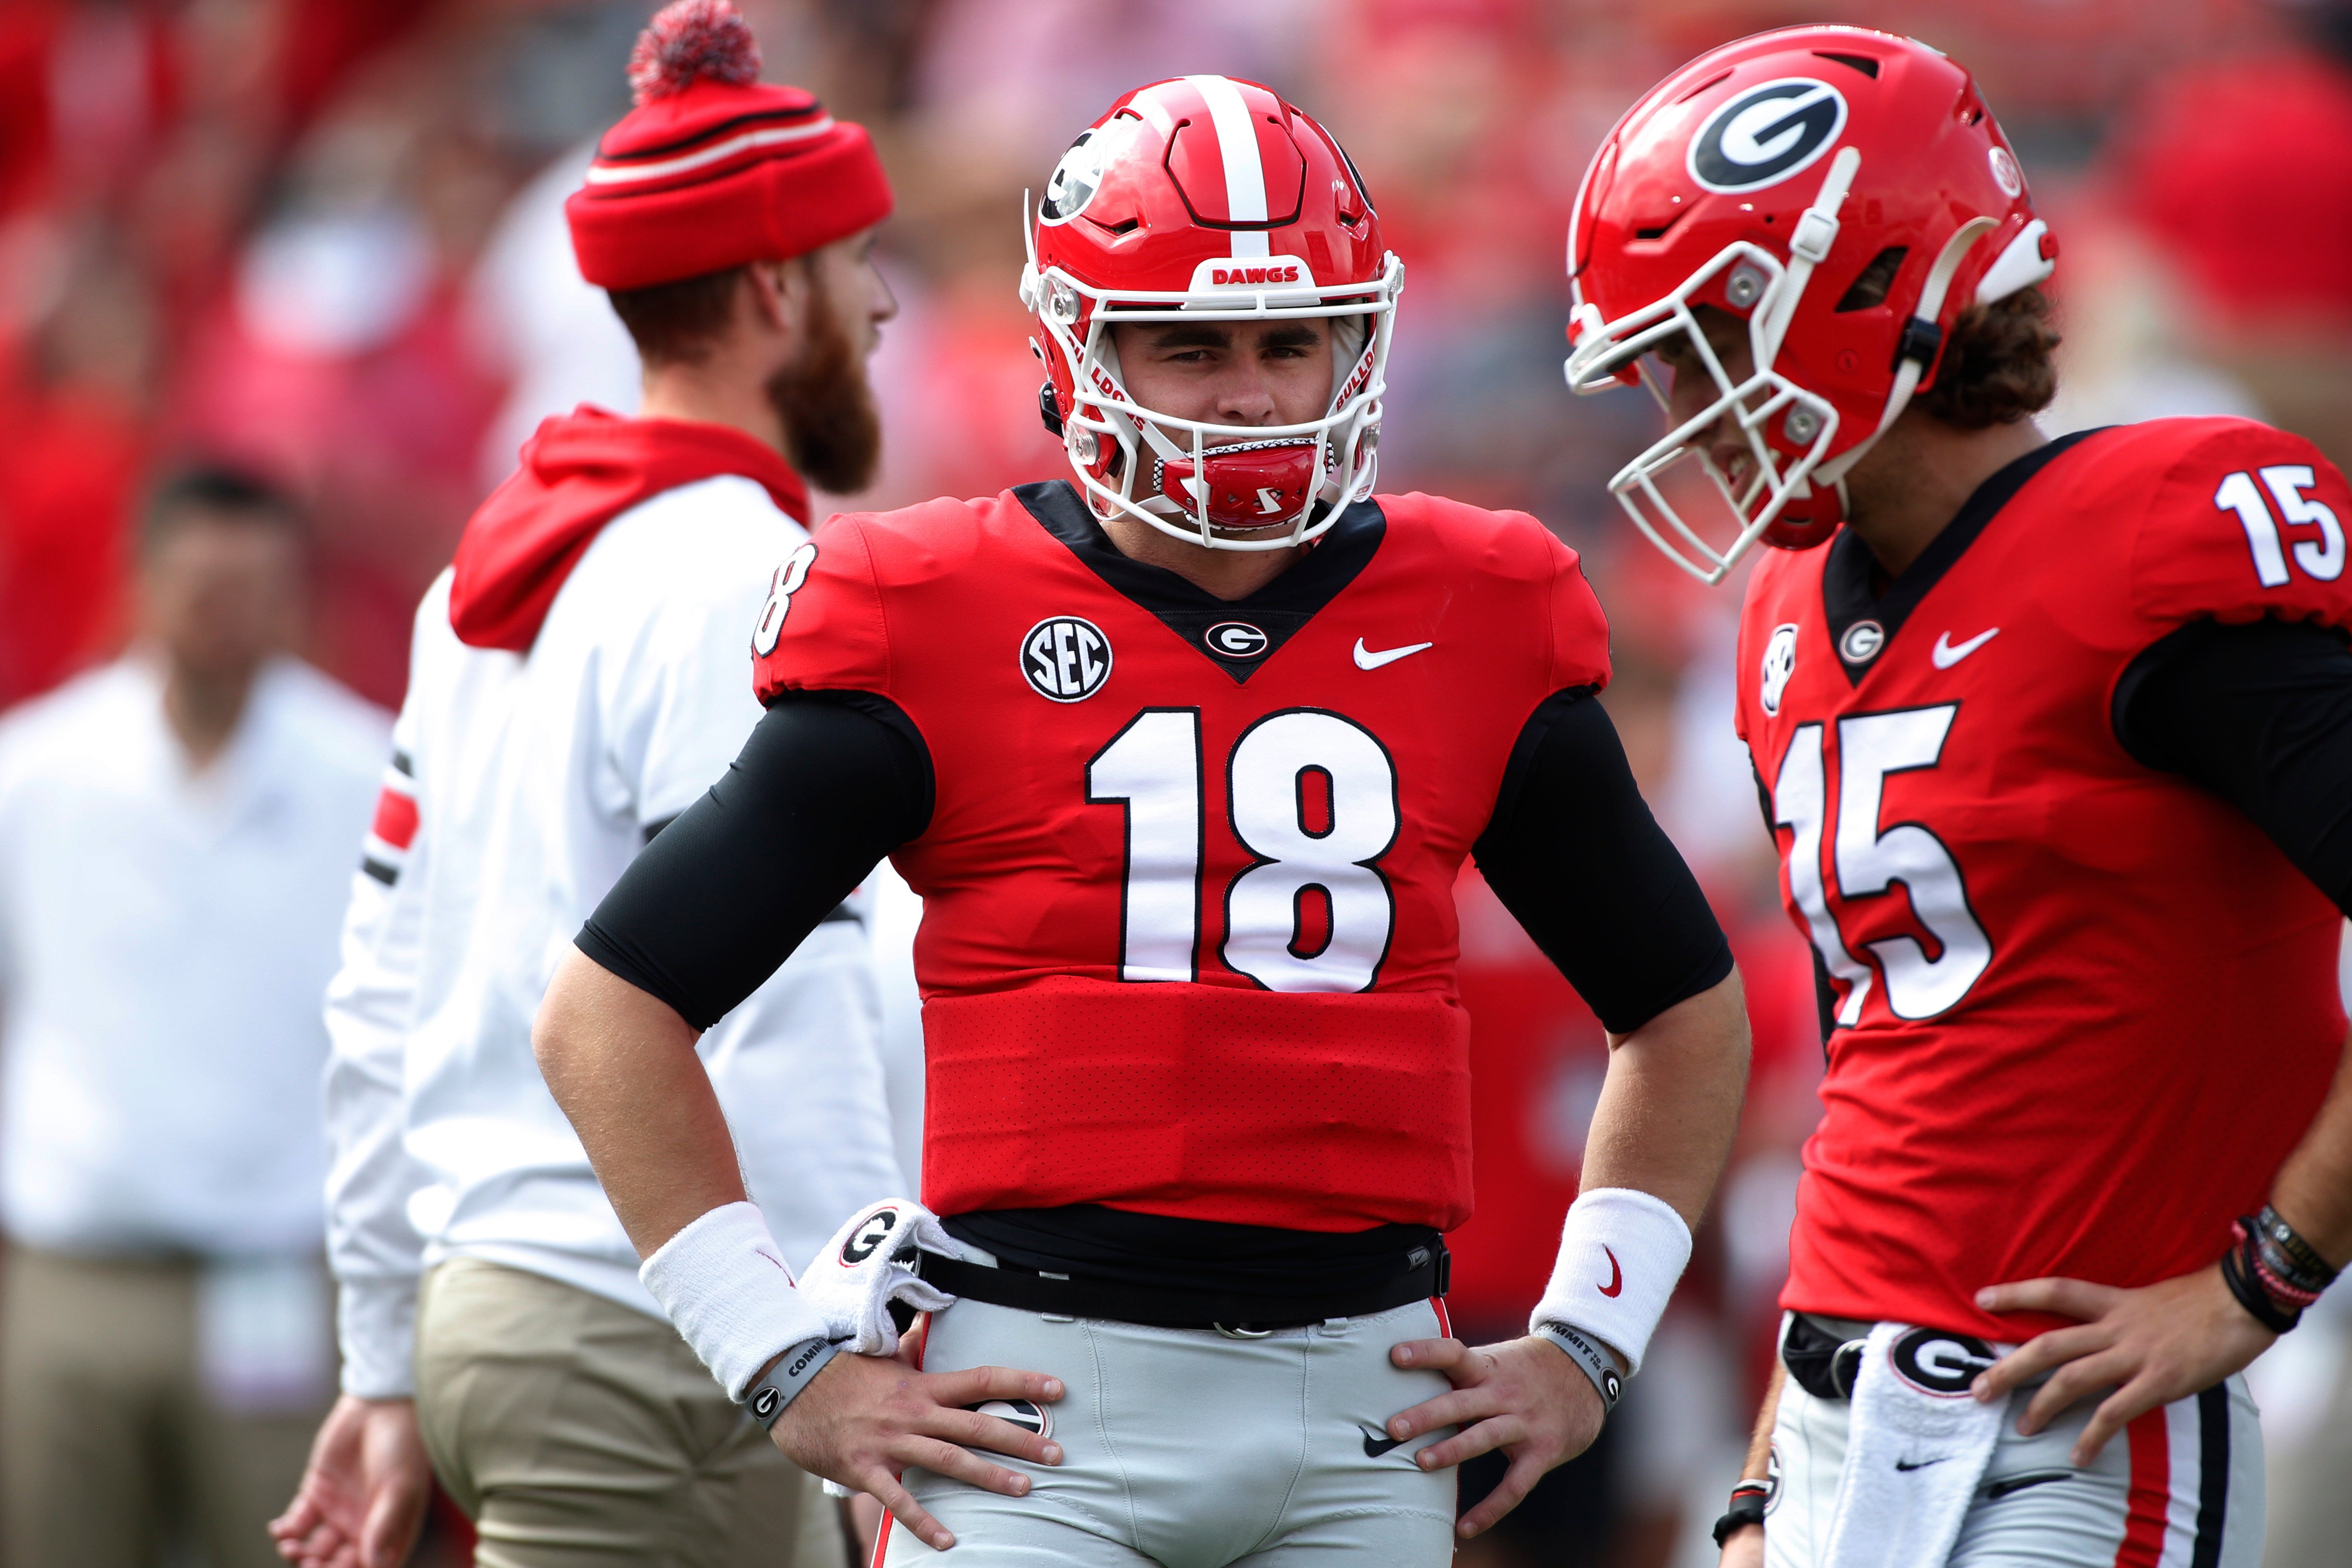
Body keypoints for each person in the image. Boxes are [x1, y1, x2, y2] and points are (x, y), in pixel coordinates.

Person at [531, 74, 1751, 1566]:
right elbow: (606, 1011)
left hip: (1372, 1404)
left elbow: (1683, 1010)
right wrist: (781, 1361)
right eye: (1188, 346)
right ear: (1074, 350)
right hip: (1041, 1410)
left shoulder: (1478, 609)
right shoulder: (930, 610)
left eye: (1287, 342)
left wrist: (1586, 1340)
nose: (1249, 394)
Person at [1561, 25, 2352, 1568]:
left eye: (1702, 342)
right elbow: (1884, 1077)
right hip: (1827, 1419)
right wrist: (1758, 1476)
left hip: (2073, 1434)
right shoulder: (1785, 606)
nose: (1681, 405)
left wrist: (2266, 1276)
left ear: (1866, 297)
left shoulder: (2152, 537)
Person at [268, 5, 907, 1567]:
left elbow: (375, 992)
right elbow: (783, 997)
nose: (880, 307)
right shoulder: (742, 576)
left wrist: (383, 1347)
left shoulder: (486, 571)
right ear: (773, 287)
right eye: (849, 267)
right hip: (653, 1335)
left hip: (500, 1306)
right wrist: (861, 1331)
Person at [0, 464, 390, 1568]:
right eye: (197, 582)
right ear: (140, 584)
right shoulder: (36, 773)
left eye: (252, 585)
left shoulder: (364, 773)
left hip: (278, 1268)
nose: (221, 611)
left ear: (295, 598)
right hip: (77, 1267)